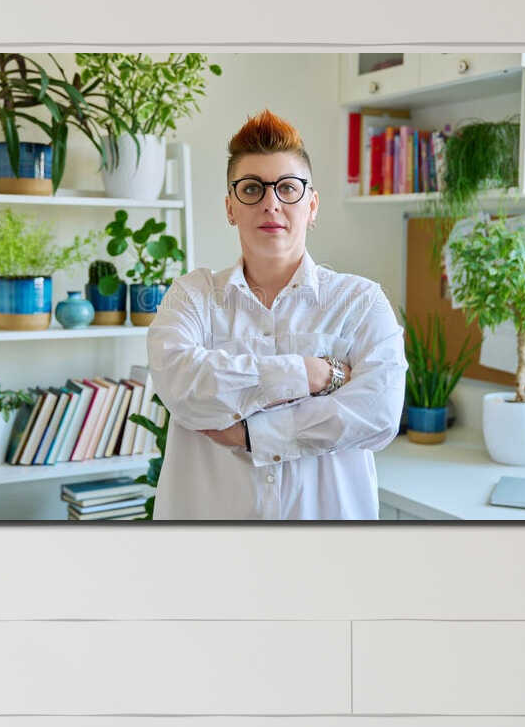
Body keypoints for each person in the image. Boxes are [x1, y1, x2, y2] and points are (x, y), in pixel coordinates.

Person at [145, 109, 406, 520]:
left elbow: (377, 416)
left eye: (287, 188)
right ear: (230, 207)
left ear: (312, 205)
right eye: (252, 189)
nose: (271, 203)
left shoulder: (361, 302)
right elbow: (183, 385)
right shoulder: (191, 297)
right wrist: (311, 374)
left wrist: (251, 434)